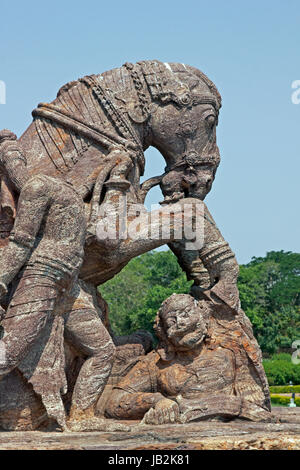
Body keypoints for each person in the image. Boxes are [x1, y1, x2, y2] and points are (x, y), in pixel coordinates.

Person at [0, 129, 116, 430]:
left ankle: (82, 416)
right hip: (42, 276)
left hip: (68, 284)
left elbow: (23, 240)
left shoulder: (59, 194)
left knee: (103, 349)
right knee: (8, 355)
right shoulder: (44, 189)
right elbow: (21, 243)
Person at [105, 293, 274, 424]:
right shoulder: (156, 363)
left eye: (186, 314)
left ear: (203, 315)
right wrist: (156, 401)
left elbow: (257, 404)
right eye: (172, 321)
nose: (181, 323)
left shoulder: (230, 352)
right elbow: (114, 402)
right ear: (163, 332)